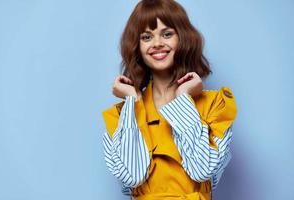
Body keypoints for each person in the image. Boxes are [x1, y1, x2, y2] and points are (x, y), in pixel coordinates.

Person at [101, 0, 237, 199]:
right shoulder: (122, 114)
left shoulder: (215, 105)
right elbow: (133, 176)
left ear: (183, 39)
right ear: (137, 47)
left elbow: (202, 170)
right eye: (147, 37)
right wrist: (133, 102)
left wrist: (183, 97)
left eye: (167, 34)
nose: (157, 43)